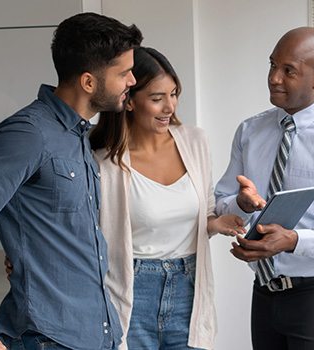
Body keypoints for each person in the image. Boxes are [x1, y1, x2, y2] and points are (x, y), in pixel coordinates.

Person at [0, 12, 142, 350]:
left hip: (95, 335)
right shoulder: (28, 133)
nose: (133, 80)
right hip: (47, 339)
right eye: (123, 72)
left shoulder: (77, 135)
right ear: (88, 82)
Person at [215, 27, 314, 350]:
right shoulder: (249, 131)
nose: (274, 77)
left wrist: (294, 240)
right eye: (272, 65)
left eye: (289, 71)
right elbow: (220, 202)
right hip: (264, 291)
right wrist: (240, 205)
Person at [89, 47, 246, 350]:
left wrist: (216, 223)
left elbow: (206, 212)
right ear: (129, 100)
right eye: (157, 98)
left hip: (188, 288)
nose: (170, 107)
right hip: (131, 293)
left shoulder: (195, 142)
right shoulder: (103, 163)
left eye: (174, 94)